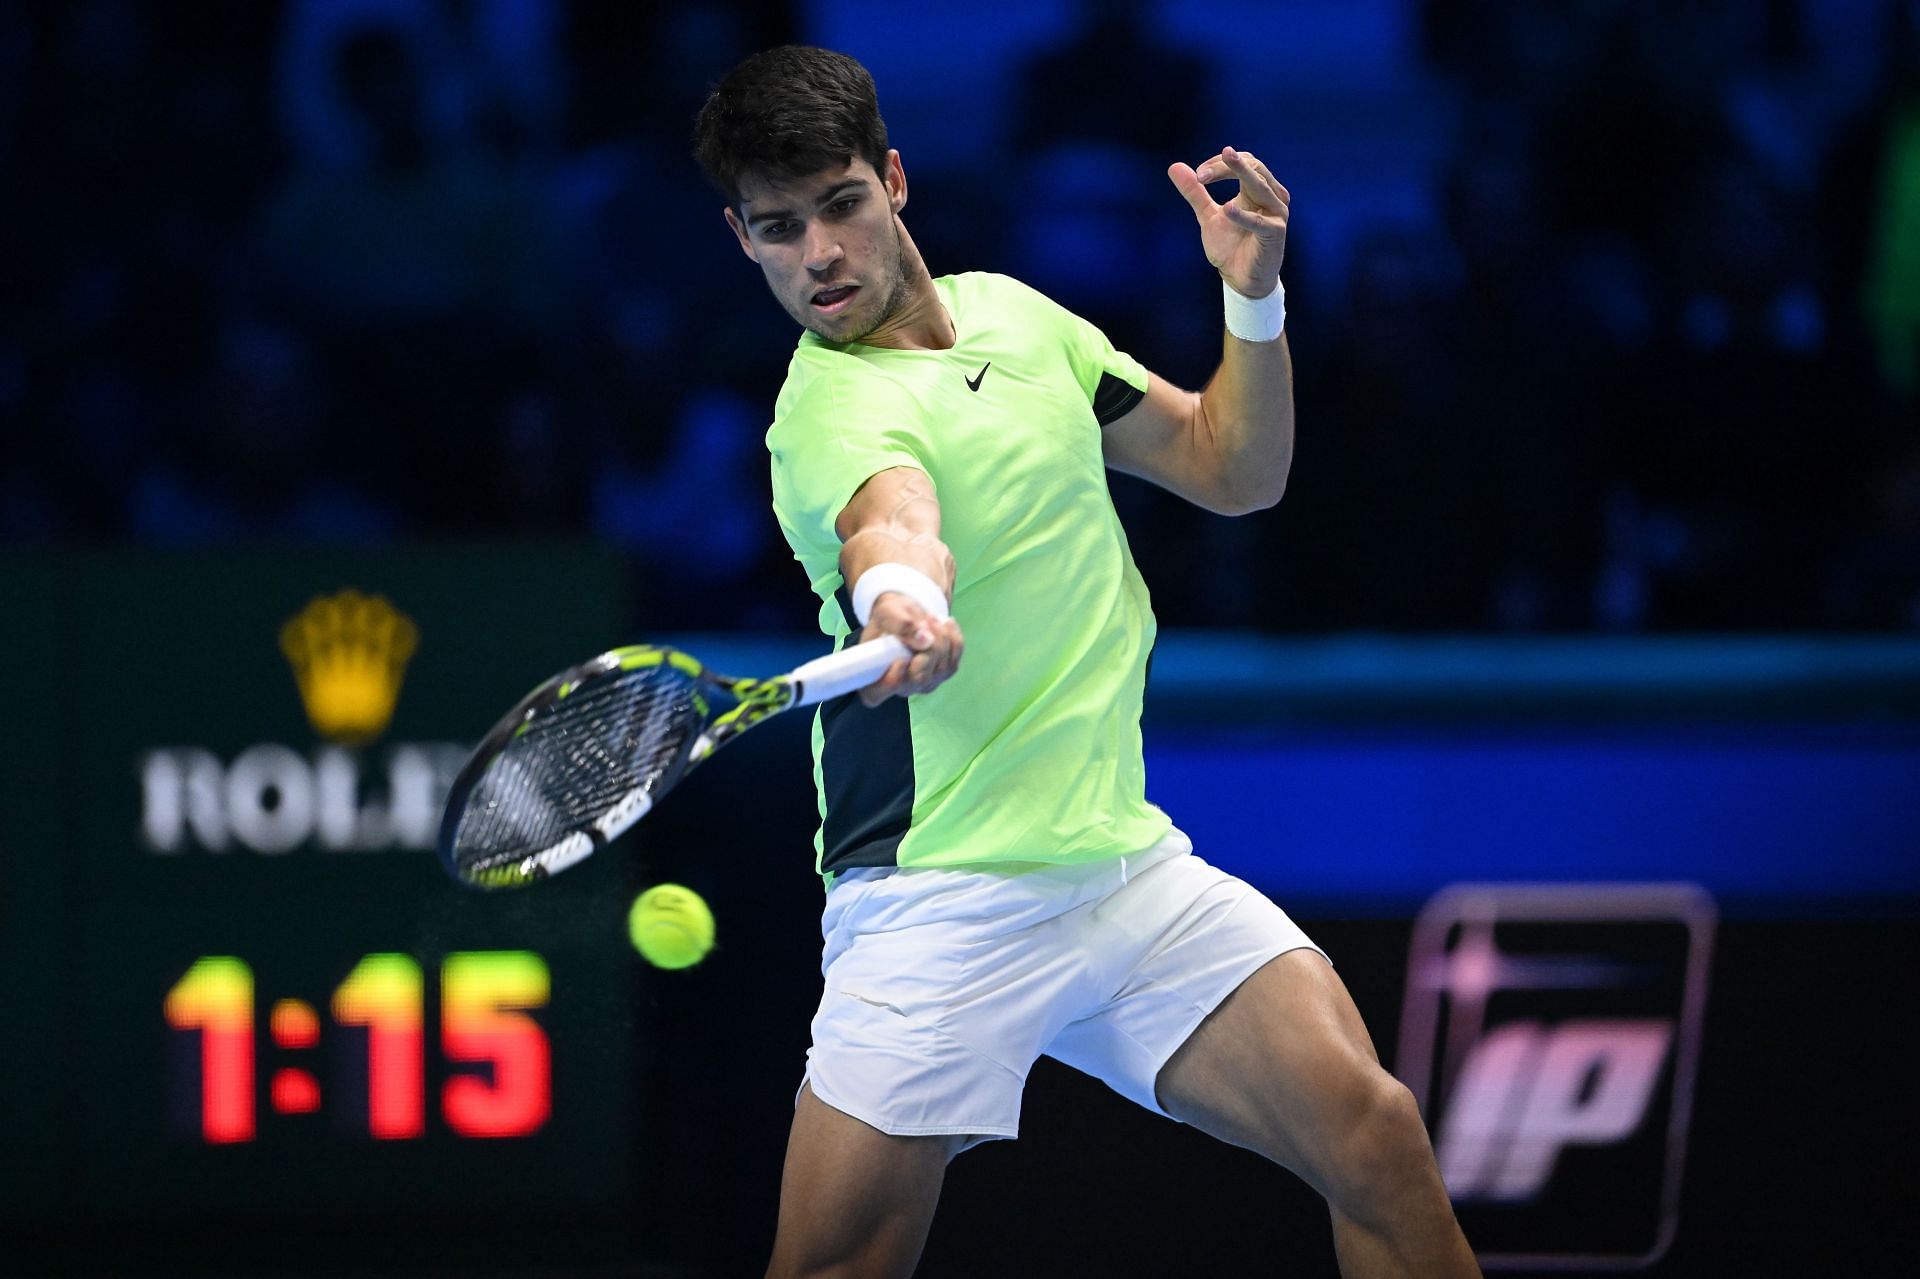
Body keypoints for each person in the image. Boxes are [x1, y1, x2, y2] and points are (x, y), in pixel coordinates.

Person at [692, 45, 1480, 1279]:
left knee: (1376, 1137)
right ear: (745, 242)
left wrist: (1254, 299)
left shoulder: (1019, 317)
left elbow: (1234, 467)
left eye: (840, 204)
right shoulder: (830, 412)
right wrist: (900, 600)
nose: (822, 257)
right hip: (939, 900)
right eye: (779, 230)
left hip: (1119, 869)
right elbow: (888, 525)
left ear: (893, 181)